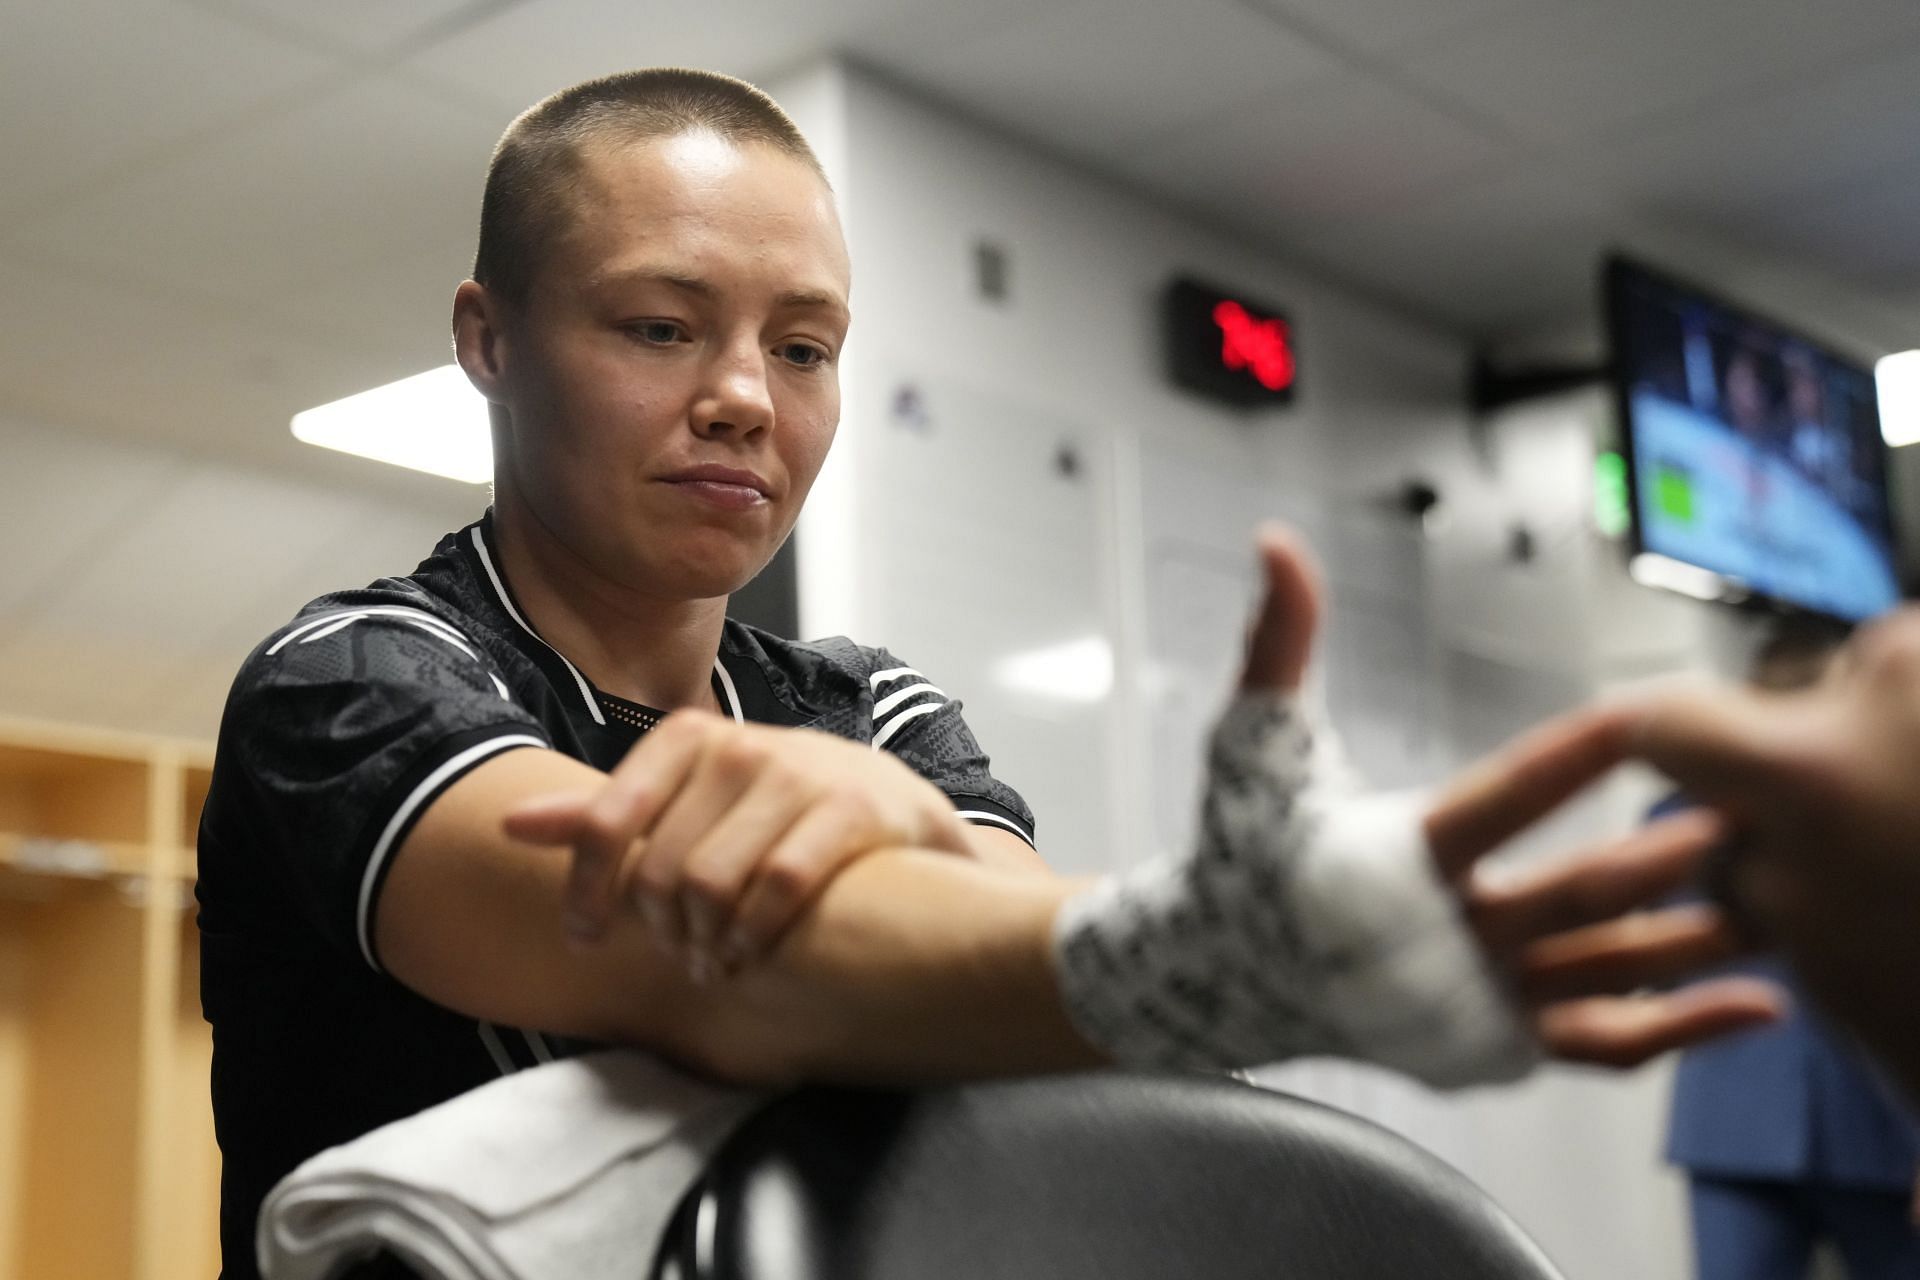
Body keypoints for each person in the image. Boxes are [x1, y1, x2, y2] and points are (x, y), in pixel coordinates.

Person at [198, 68, 1777, 1280]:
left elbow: (1000, 976)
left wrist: (962, 851)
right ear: (490, 338)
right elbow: (673, 959)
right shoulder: (349, 680)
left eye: (804, 348)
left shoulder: (865, 708)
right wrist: (1203, 952)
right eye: (663, 326)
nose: (746, 398)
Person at [1657, 619, 1920, 1280]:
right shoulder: (1681, 817)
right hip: (1737, 1127)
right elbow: (1658, 962)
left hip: (1878, 1137)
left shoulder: (1893, 811)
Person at [1634, 604, 1920, 1111]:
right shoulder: (1679, 814)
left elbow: (1653, 964)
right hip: (1795, 1113)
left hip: (1779, 1110)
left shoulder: (1677, 813)